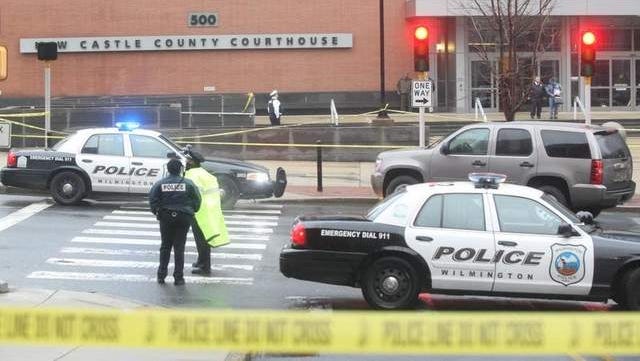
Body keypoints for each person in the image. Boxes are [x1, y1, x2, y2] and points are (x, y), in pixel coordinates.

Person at [149, 158, 201, 285]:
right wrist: (192, 210)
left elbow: (152, 200)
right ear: (180, 170)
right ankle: (179, 278)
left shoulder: (160, 183)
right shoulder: (188, 183)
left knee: (165, 246)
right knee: (179, 247)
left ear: (168, 169)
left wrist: (157, 212)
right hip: (184, 217)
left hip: (166, 217)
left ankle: (161, 275)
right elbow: (197, 200)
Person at [184, 150, 229, 275]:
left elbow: (193, 194)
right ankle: (200, 261)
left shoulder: (191, 175)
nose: (186, 162)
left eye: (188, 161)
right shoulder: (205, 173)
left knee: (201, 240)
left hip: (199, 212)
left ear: (192, 162)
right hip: (210, 210)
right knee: (203, 239)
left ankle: (204, 267)